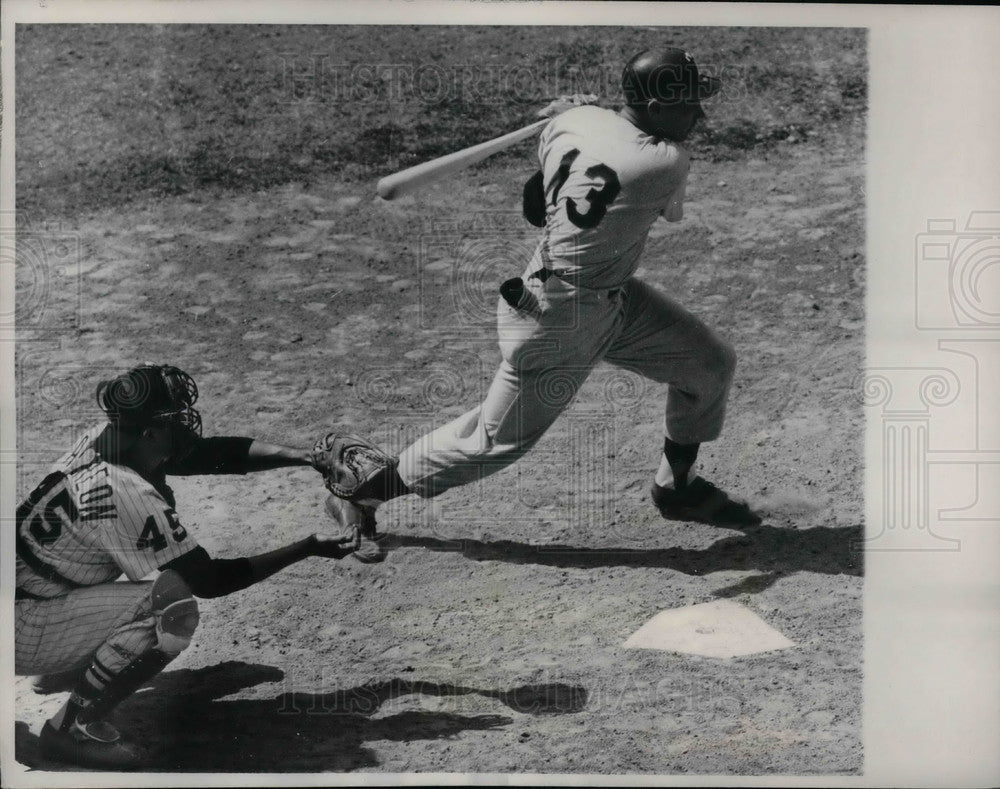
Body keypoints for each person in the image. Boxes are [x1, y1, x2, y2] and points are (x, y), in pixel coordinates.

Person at [324, 47, 760, 556]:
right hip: (561, 322)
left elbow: (537, 207)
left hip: (600, 296)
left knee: (707, 363)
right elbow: (664, 207)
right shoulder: (666, 161)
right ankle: (358, 492)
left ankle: (675, 486)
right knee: (493, 441)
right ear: (659, 107)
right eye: (689, 103)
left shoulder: (571, 125)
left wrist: (569, 119)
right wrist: (579, 118)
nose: (699, 114)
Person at [15, 363, 355, 770]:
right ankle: (70, 730)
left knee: (125, 549)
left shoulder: (107, 438)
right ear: (151, 432)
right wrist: (307, 547)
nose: (187, 424)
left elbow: (202, 454)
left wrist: (303, 457)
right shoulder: (126, 491)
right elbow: (210, 581)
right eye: (177, 418)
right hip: (21, 629)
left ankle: (69, 660)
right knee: (170, 607)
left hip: (24, 595)